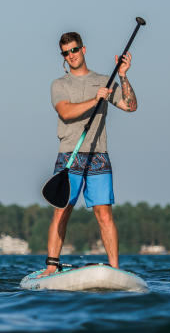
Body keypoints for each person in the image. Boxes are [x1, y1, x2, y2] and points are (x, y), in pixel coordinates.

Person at [42, 31, 138, 275]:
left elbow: (131, 106)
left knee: (105, 215)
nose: (71, 55)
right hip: (70, 155)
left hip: (98, 155)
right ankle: (52, 267)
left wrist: (124, 77)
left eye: (74, 50)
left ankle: (115, 269)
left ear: (83, 50)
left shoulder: (105, 81)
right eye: (66, 52)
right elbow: (65, 112)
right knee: (61, 212)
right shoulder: (59, 84)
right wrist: (95, 100)